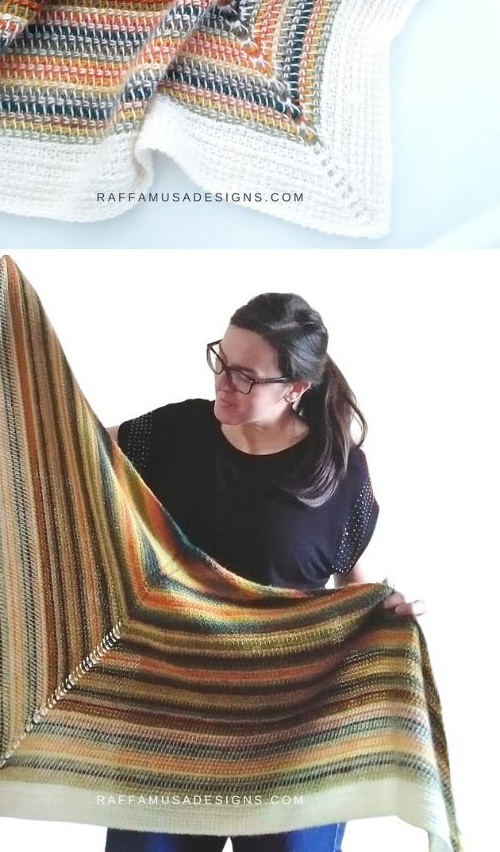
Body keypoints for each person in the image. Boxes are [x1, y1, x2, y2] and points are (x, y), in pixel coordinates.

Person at [103, 292, 426, 852]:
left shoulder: (339, 471)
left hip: (294, 734)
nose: (223, 383)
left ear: (296, 388)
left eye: (246, 376)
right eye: (221, 361)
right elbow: (73, 453)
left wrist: (386, 612)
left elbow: (353, 587)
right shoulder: (169, 434)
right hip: (171, 722)